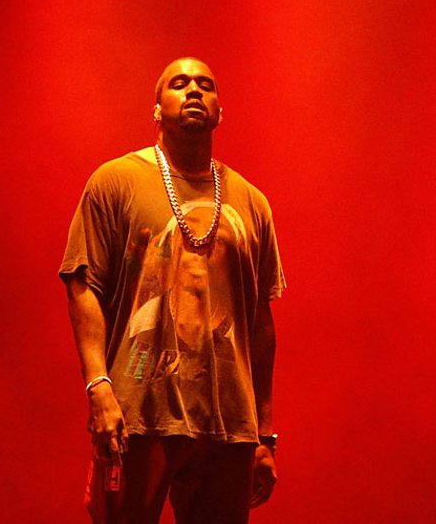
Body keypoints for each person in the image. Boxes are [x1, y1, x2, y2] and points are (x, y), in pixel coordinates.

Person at [59, 57, 286, 523]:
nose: (194, 91)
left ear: (220, 111)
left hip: (228, 421)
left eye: (206, 85)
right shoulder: (115, 182)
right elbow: (84, 286)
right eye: (179, 84)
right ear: (157, 109)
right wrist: (98, 387)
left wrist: (264, 435)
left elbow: (261, 323)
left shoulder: (252, 202)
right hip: (138, 411)